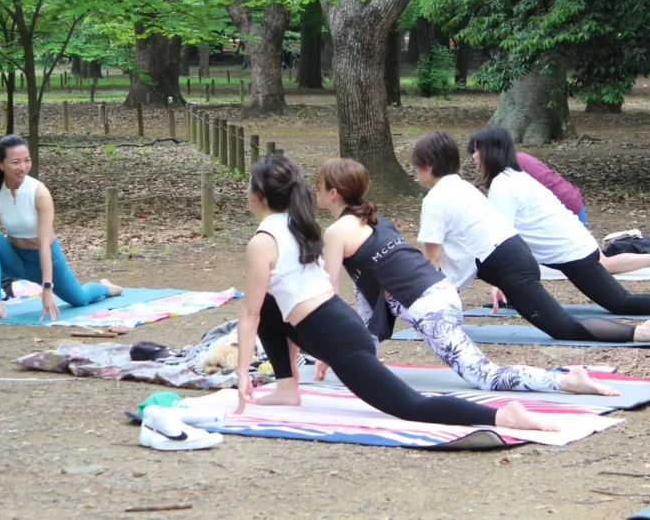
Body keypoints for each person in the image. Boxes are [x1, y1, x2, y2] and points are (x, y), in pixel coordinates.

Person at [234, 155, 557, 432]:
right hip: (331, 326)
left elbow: (249, 316)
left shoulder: (264, 241)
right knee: (269, 301)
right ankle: (287, 387)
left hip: (338, 338)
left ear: (258, 195)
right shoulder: (297, 226)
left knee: (411, 405)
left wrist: (242, 375)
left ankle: (501, 416)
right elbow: (275, 307)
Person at [314, 157, 617, 395]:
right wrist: (356, 356)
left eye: (318, 185)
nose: (315, 191)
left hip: (430, 309)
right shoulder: (377, 221)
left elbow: (330, 298)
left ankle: (564, 381)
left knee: (486, 376)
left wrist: (330, 346)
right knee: (482, 372)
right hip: (441, 293)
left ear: (333, 193)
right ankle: (565, 379)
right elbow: (369, 300)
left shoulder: (337, 233)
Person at [410, 132, 650, 345]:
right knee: (588, 313)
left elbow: (434, 262)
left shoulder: (437, 199)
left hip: (515, 267)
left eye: (416, 167)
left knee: (565, 327)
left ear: (428, 165)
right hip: (517, 258)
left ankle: (641, 332)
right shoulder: (463, 187)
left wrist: (421, 305)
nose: (415, 173)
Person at [467, 126, 650, 321]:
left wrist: (501, 282)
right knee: (618, 297)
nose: (474, 156)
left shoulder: (504, 185)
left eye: (477, 150)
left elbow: (503, 241)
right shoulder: (513, 177)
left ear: (491, 151)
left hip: (572, 251)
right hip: (573, 243)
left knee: (620, 302)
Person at [0, 134, 122, 323]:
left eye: (27, 160)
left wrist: (47, 288)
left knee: (79, 298)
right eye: (15, 162)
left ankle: (106, 287)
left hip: (44, 258)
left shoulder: (39, 192)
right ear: (0, 164)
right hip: (15, 259)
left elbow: (45, 245)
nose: (23, 167)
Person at [504, 149, 650, 275]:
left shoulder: (510, 167)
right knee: (598, 262)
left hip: (566, 211)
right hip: (572, 206)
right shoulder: (519, 158)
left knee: (600, 265)